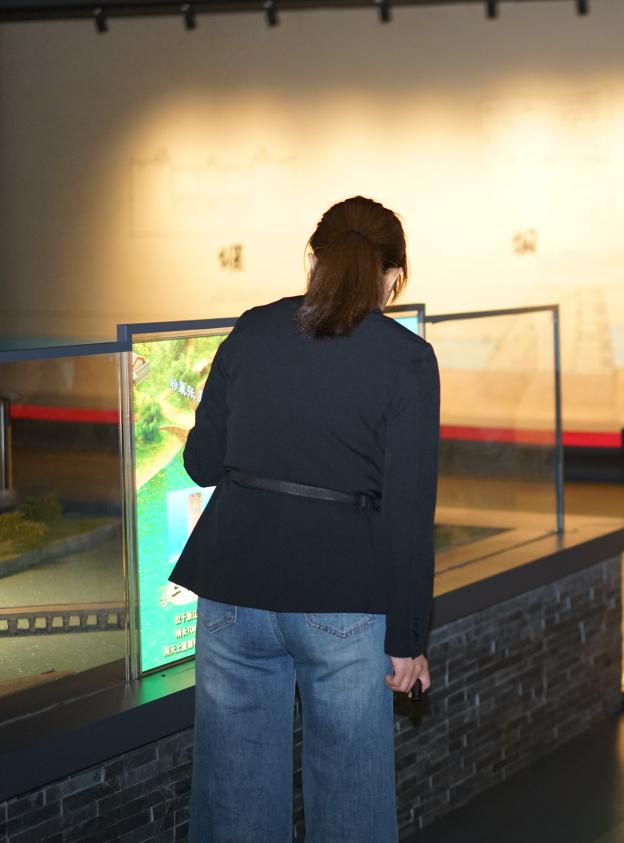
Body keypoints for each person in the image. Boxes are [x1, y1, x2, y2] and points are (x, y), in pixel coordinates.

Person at [171, 196, 439, 842]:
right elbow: (408, 512)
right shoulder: (405, 358)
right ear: (393, 277)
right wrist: (408, 639)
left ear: (312, 260)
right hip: (343, 597)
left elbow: (201, 464)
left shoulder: (252, 329)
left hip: (232, 587)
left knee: (233, 796)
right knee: (349, 796)